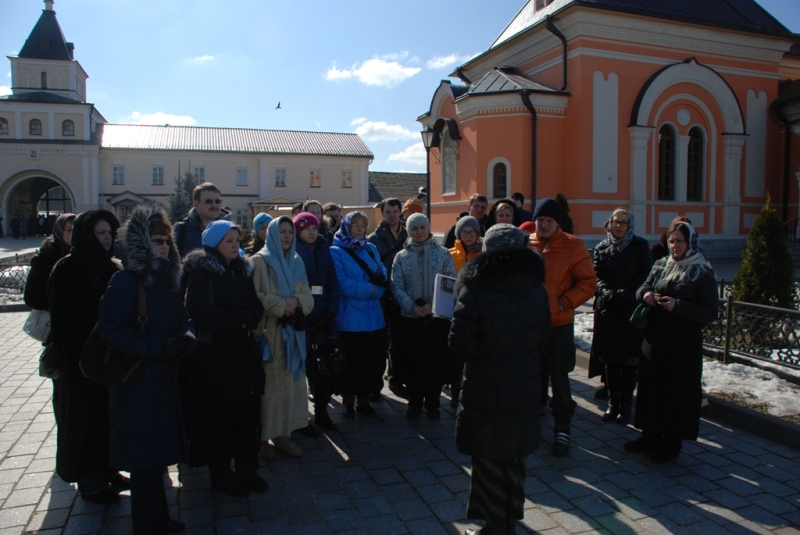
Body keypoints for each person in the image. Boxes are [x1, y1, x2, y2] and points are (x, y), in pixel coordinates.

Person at [95, 205, 195, 534]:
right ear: (140, 243)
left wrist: (187, 338)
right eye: (156, 240)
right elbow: (110, 329)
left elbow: (182, 319)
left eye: (167, 240)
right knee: (144, 458)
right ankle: (148, 524)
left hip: (163, 381)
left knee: (155, 455)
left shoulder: (167, 281)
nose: (164, 246)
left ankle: (157, 519)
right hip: (137, 383)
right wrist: (157, 347)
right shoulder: (125, 281)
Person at [449, 224, 550, 535]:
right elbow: (544, 337)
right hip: (524, 383)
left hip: (486, 386)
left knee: (488, 458)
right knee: (515, 456)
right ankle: (509, 521)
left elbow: (460, 344)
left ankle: (494, 527)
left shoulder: (475, 288)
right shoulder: (536, 287)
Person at [182, 221, 266, 497]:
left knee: (247, 413)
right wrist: (238, 320)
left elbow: (256, 308)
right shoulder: (202, 271)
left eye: (236, 240)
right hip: (217, 356)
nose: (234, 245)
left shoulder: (242, 269)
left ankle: (248, 469)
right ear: (214, 243)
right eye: (228, 241)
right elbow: (199, 311)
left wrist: (240, 319)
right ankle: (221, 473)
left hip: (244, 352)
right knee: (221, 417)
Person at [49, 210, 127, 503]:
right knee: (85, 424)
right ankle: (90, 482)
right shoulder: (67, 269)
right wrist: (74, 366)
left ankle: (108, 470)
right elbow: (63, 323)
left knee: (107, 418)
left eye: (110, 233)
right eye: (101, 233)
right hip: (81, 361)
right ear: (86, 235)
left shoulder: (110, 266)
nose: (107, 239)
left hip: (108, 357)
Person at [627, 221, 718, 462]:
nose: (674, 245)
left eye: (679, 241)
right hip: (655, 338)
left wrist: (678, 306)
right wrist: (646, 294)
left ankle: (671, 442)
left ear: (690, 242)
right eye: (671, 241)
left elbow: (710, 312)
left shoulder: (701, 271)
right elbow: (643, 286)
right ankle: (649, 435)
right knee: (651, 386)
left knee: (675, 391)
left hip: (682, 344)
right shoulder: (662, 264)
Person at [529, 198, 596, 457]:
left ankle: (562, 425)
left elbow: (588, 282)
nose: (544, 225)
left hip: (559, 324)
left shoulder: (573, 245)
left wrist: (564, 303)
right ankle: (532, 418)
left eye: (549, 220)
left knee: (559, 377)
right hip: (532, 324)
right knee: (533, 373)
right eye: (540, 220)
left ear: (558, 222)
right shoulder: (527, 243)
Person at [252, 216, 314, 459]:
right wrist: (281, 305)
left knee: (291, 388)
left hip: (293, 335)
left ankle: (284, 436)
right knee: (269, 391)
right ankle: (261, 439)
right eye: (282, 232)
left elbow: (307, 293)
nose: (287, 236)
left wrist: (295, 302)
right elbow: (255, 296)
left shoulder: (296, 260)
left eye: (290, 232)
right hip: (270, 335)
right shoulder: (258, 261)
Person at [590, 208, 653, 425]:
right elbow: (595, 275)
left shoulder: (640, 246)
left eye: (623, 222)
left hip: (630, 309)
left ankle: (626, 406)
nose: (618, 226)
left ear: (630, 225)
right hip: (608, 309)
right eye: (615, 222)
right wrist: (606, 292)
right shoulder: (602, 247)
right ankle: (613, 403)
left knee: (629, 359)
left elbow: (646, 273)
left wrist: (627, 293)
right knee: (610, 359)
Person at [391, 213, 456, 420]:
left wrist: (432, 305)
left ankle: (433, 403)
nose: (419, 232)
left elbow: (449, 282)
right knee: (413, 364)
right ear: (408, 230)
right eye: (414, 228)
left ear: (428, 228)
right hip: (411, 319)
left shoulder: (443, 254)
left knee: (435, 363)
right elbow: (396, 284)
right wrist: (411, 306)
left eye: (422, 227)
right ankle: (415, 402)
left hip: (436, 320)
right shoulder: (401, 257)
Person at [330, 211, 387, 419]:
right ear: (346, 227)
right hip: (350, 318)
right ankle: (348, 402)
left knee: (369, 361)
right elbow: (342, 282)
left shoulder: (371, 248)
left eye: (363, 225)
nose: (360, 229)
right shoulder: (336, 251)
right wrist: (371, 290)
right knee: (350, 362)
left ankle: (364, 400)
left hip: (374, 318)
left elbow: (383, 273)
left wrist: (377, 289)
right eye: (355, 225)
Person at [294, 212, 340, 431]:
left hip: (325, 316)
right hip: (304, 317)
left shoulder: (324, 247)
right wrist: (310, 313)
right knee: (302, 367)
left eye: (314, 228)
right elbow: (294, 286)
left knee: (324, 367)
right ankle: (300, 418)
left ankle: (322, 412)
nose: (311, 232)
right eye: (306, 228)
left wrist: (330, 311)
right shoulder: (293, 250)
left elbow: (332, 281)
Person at [367, 198, 408, 399]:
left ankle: (395, 379)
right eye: (388, 212)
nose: (392, 215)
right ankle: (375, 384)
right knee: (378, 343)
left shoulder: (408, 235)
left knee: (398, 342)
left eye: (395, 211)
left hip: (402, 295)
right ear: (382, 214)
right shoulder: (373, 240)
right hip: (382, 296)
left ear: (400, 212)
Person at [24, 213, 75, 311]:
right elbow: (31, 297)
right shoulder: (45, 258)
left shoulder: (84, 255)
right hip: (52, 316)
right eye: (69, 230)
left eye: (76, 229)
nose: (74, 233)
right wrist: (62, 304)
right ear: (59, 231)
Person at [173, 182, 227, 257]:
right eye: (208, 201)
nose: (214, 205)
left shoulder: (228, 229)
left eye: (217, 201)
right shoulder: (182, 230)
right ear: (196, 204)